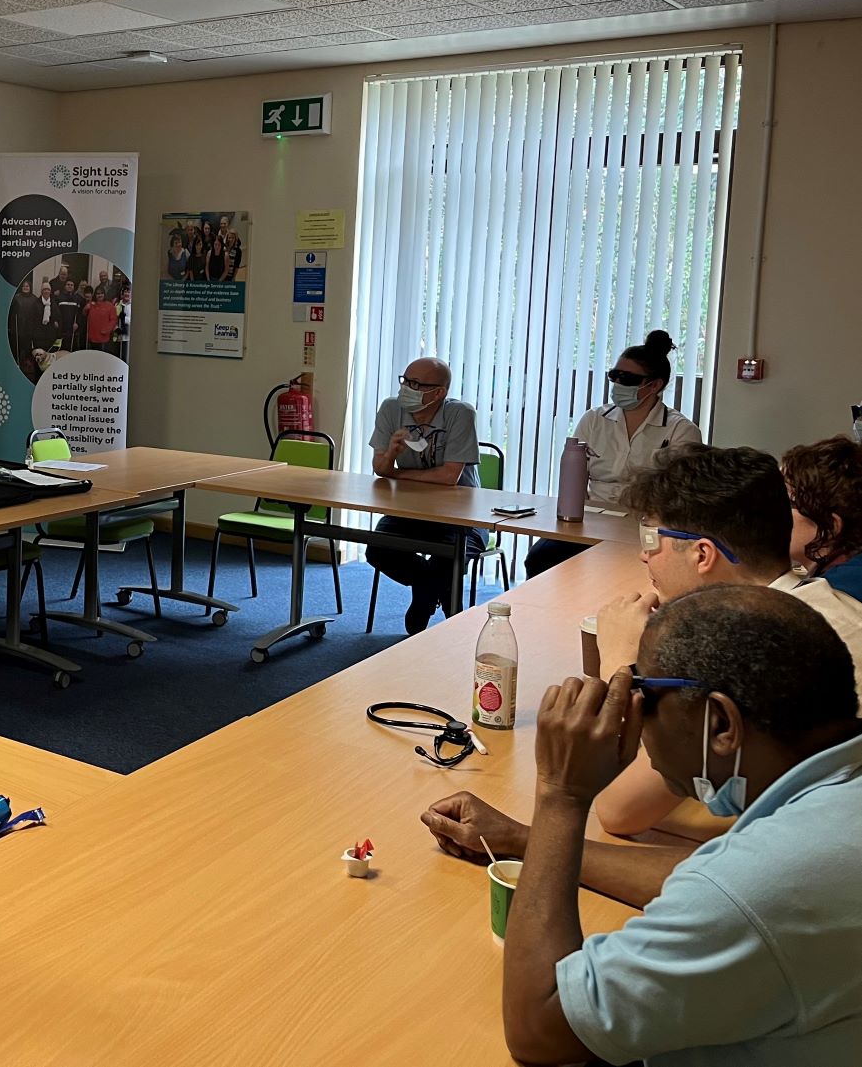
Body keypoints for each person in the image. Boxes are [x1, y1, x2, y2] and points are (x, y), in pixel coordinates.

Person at [430, 587, 862, 1067]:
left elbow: (539, 1029)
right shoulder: (832, 803)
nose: (630, 714)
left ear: (721, 723)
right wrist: (523, 840)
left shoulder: (762, 889)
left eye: (645, 694)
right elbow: (704, 876)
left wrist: (560, 797)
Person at [589, 444, 862, 839]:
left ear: (703, 554)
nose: (644, 557)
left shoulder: (750, 647)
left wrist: (620, 668)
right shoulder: (821, 602)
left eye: (651, 539)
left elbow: (618, 810)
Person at [525, 330, 701, 577]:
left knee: (627, 571)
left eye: (627, 379)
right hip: (590, 522)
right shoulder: (594, 419)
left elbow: (681, 498)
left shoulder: (680, 430)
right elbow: (573, 479)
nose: (618, 384)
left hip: (645, 527)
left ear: (654, 385)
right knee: (541, 557)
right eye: (614, 376)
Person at [366, 357, 485, 634]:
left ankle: (433, 606)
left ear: (439, 392)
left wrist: (396, 474)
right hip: (411, 511)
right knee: (378, 548)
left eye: (416, 384)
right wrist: (392, 455)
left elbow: (448, 477)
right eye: (405, 381)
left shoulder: (460, 414)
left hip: (461, 514)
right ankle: (426, 587)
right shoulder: (390, 408)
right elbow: (379, 468)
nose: (407, 388)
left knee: (449, 559)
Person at [784, 435, 862, 602]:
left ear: (830, 526)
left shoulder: (840, 594)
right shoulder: (820, 564)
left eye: (787, 503)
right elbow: (800, 572)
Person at [10, 276, 42, 365]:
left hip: (29, 329)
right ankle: (17, 363)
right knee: (17, 347)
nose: (25, 287)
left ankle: (27, 365)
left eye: (27, 286)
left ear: (30, 287)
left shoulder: (34, 299)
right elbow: (12, 313)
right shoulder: (16, 298)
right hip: (18, 327)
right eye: (24, 286)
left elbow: (37, 314)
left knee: (28, 348)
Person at [55, 277, 83, 353]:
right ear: (65, 286)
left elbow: (79, 313)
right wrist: (56, 321)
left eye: (72, 285)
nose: (70, 286)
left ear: (74, 287)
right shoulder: (58, 298)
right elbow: (55, 311)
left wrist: (77, 323)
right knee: (61, 349)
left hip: (72, 329)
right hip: (61, 328)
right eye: (68, 284)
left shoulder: (78, 299)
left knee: (72, 350)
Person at [86, 286, 117, 352]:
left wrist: (106, 330)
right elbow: (84, 314)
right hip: (92, 337)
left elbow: (113, 320)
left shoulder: (110, 306)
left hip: (104, 338)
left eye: (101, 293)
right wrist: (86, 308)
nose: (99, 295)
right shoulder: (91, 304)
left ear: (104, 294)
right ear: (95, 295)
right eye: (97, 293)